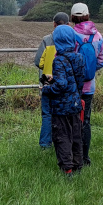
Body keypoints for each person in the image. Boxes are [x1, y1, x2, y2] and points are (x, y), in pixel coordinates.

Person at [40, 24, 86, 175]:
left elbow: (61, 85)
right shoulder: (79, 57)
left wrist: (46, 88)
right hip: (76, 103)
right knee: (75, 135)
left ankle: (67, 169)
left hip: (61, 107)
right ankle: (78, 164)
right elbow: (78, 80)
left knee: (62, 137)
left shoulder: (58, 60)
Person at [70, 2, 103, 167]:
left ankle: (71, 155)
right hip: (89, 87)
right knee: (86, 120)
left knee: (71, 119)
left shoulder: (69, 34)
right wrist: (90, 71)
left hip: (71, 85)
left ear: (72, 16)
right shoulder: (97, 36)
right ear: (87, 15)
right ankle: (85, 157)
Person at [33, 12, 71, 149]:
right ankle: (62, 143)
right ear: (68, 25)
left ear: (54, 24)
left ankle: (45, 144)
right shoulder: (72, 41)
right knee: (63, 114)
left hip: (47, 83)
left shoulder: (47, 39)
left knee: (47, 114)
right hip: (65, 82)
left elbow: (38, 61)